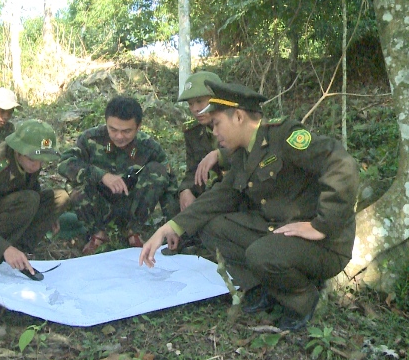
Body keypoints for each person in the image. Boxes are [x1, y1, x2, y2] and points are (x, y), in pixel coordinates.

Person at [139, 81, 359, 331]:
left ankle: (304, 299)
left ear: (239, 117)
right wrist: (171, 227)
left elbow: (342, 164)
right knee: (212, 228)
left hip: (324, 245)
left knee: (260, 254)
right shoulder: (243, 153)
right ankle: (263, 287)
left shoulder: (283, 136)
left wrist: (322, 225)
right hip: (280, 231)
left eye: (217, 124)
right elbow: (219, 196)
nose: (214, 133)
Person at [58, 96, 177, 255]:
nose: (119, 136)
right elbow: (65, 163)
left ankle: (133, 232)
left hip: (130, 206)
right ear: (106, 122)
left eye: (126, 131)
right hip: (98, 204)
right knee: (75, 181)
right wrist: (101, 176)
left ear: (138, 127)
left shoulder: (149, 147)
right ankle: (98, 234)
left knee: (158, 171)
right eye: (113, 129)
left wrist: (174, 225)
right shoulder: (91, 139)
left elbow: (170, 184)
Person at [0, 120, 69, 274]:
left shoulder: (29, 160)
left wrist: (47, 215)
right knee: (29, 200)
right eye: (32, 159)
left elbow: (30, 186)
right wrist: (2, 248)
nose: (37, 166)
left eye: (42, 161)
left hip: (11, 208)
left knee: (60, 197)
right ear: (17, 150)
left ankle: (22, 249)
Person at [177, 71, 230, 211]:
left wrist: (219, 155)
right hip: (209, 195)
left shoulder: (236, 123)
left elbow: (251, 155)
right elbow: (192, 169)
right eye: (190, 104)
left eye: (200, 101)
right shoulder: (193, 132)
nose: (195, 109)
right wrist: (185, 189)